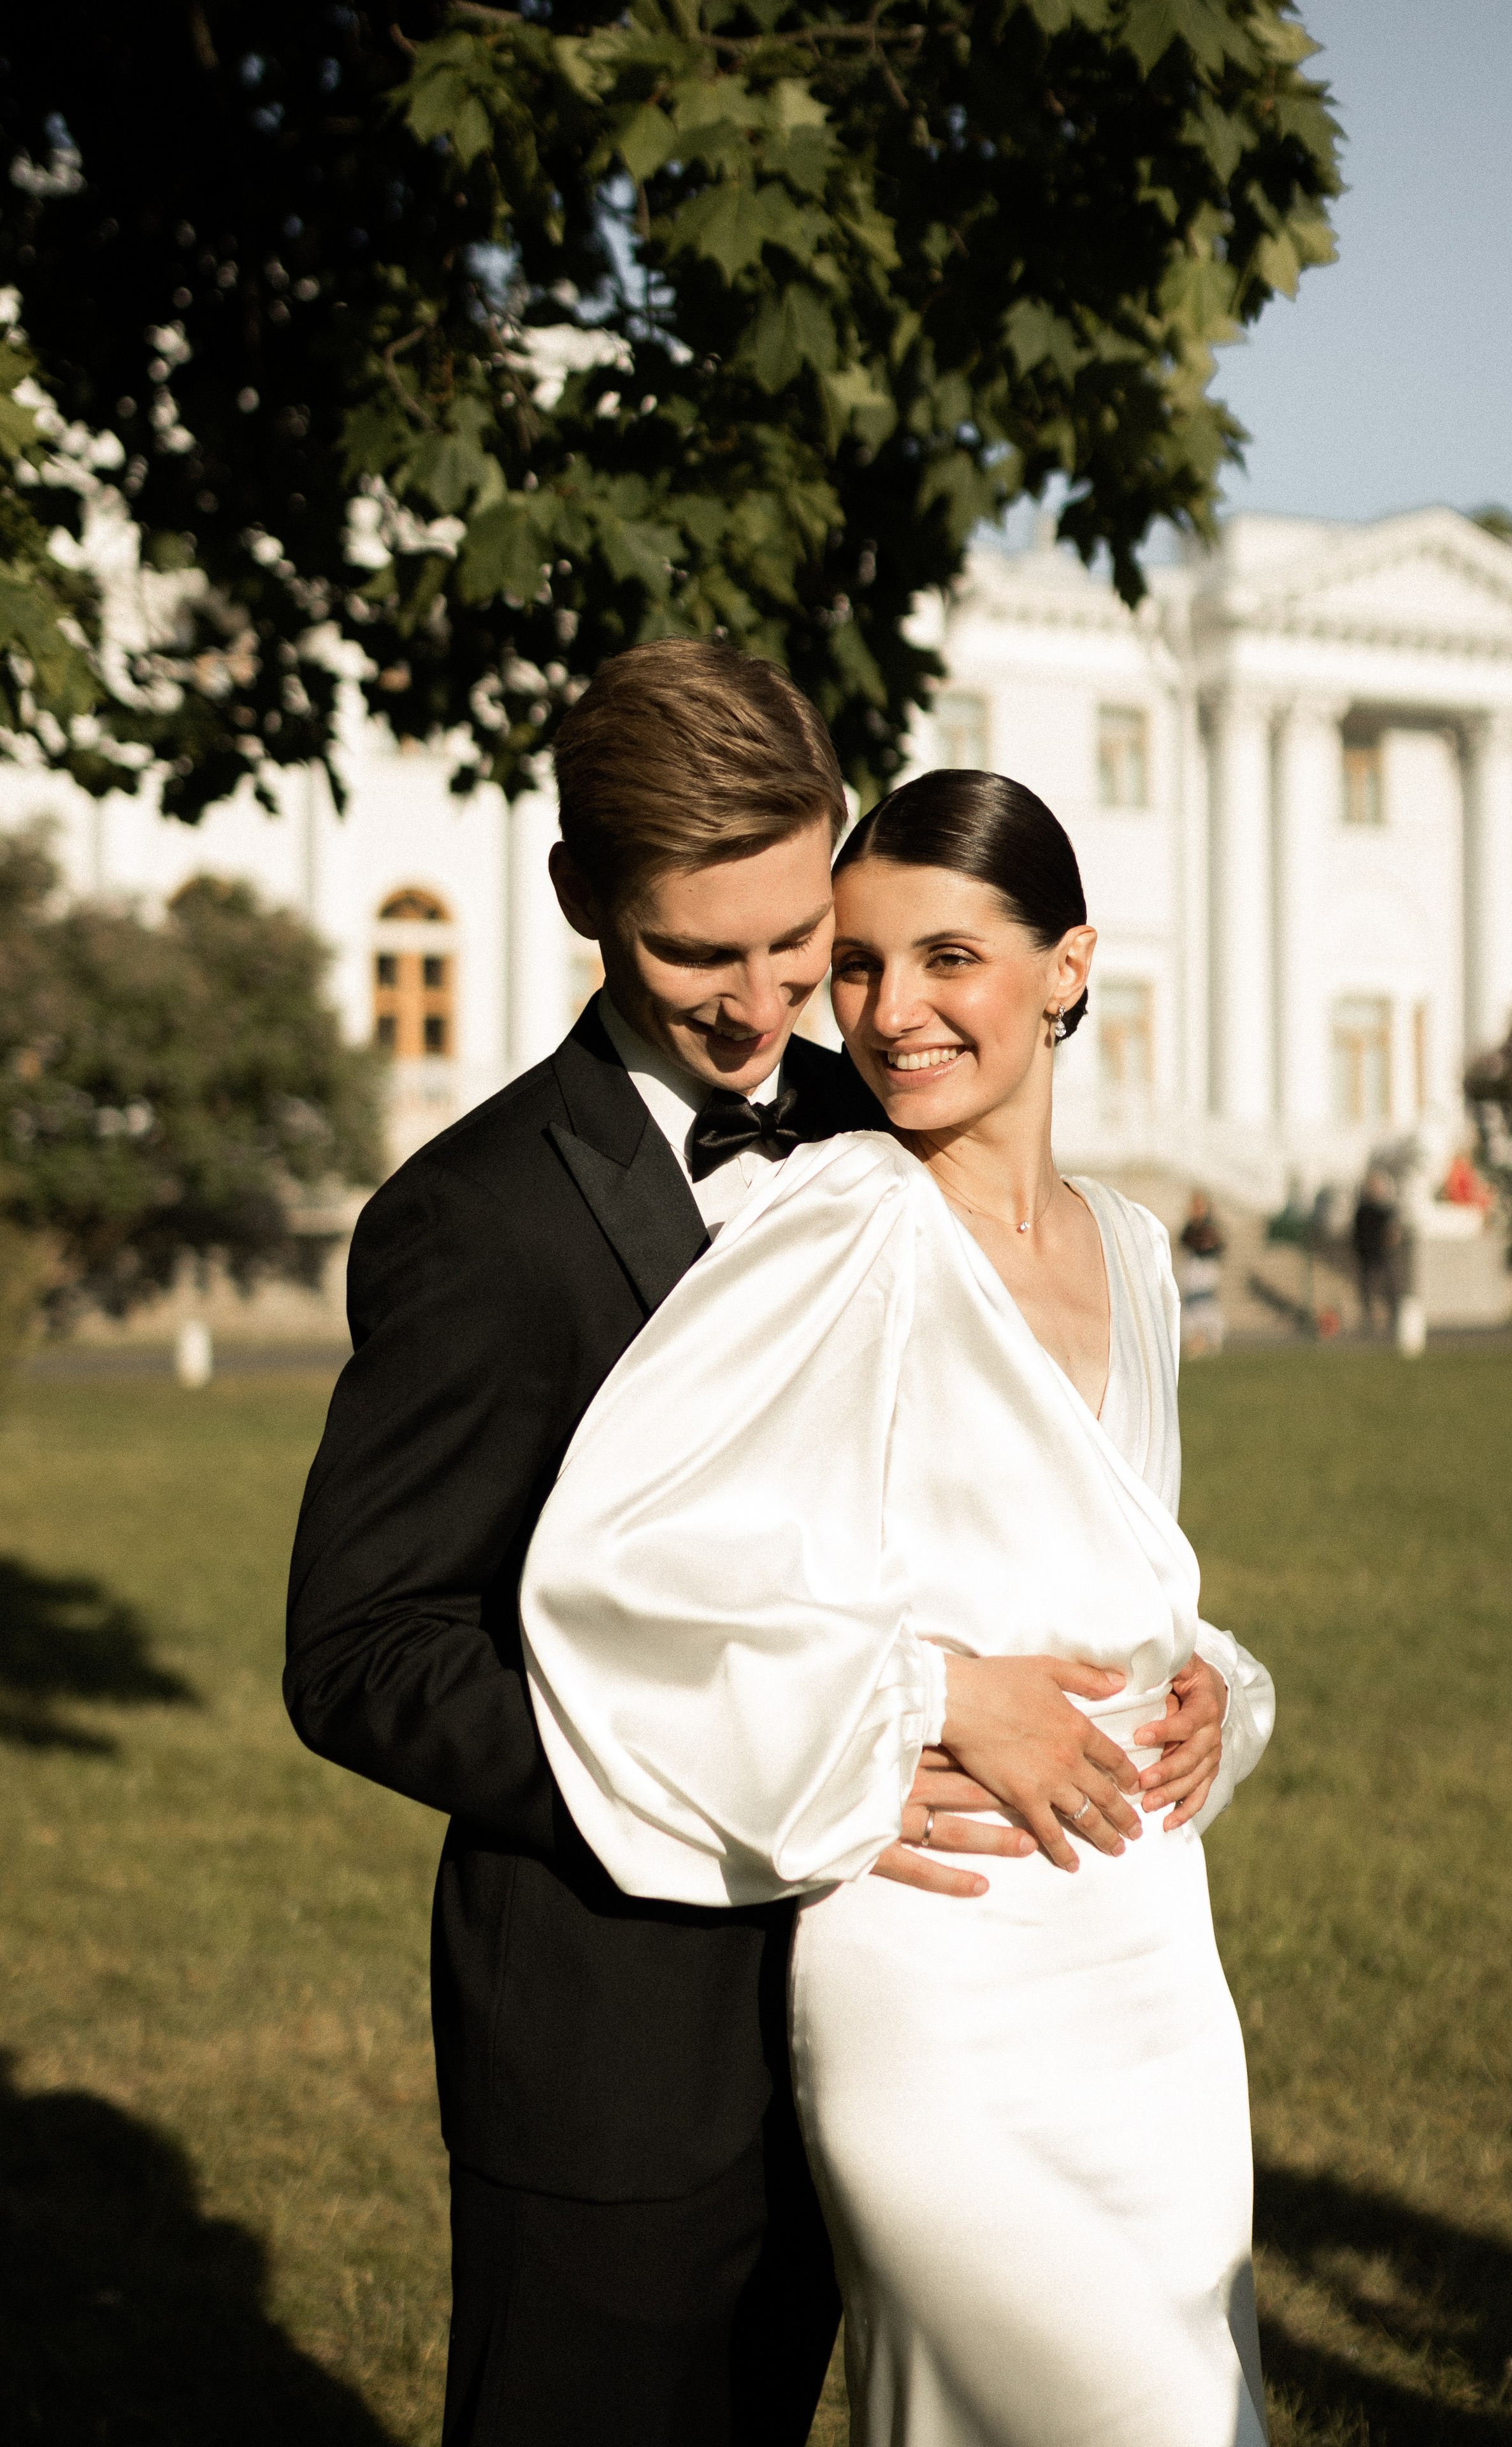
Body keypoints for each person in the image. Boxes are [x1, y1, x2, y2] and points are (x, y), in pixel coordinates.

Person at [285, 653, 1218, 2447]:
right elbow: (363, 1653)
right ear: (580, 906)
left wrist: (1177, 1690)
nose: (765, 1004)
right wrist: (785, 1757)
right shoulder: (474, 1225)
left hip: (919, 2006)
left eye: (801, 942)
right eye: (696, 956)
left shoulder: (886, 1134)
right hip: (622, 2044)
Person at [520, 770, 1277, 2447]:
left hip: (1150, 1957)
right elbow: (616, 1567)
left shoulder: (1139, 1251)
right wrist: (918, 1694)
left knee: (1191, 2401)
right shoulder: (836, 1225)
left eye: (950, 957)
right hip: (940, 1963)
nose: (889, 1009)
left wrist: (1206, 1684)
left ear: (1069, 965)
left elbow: (1100, 1560)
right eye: (857, 966)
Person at [1352, 1165, 1402, 1334]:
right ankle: (1370, 1317)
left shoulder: (1384, 1210)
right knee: (1367, 1288)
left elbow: (1393, 1233)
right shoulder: (1362, 1211)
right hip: (1366, 1255)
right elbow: (1356, 1233)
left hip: (1381, 1255)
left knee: (1389, 1285)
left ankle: (1396, 1314)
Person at [1178, 1188, 1228, 1356]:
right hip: (1193, 1267)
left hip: (1206, 1267)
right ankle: (1195, 1339)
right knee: (1192, 1305)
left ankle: (1210, 1337)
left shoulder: (1211, 1226)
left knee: (1205, 1302)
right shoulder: (1190, 1227)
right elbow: (1184, 1242)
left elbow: (1217, 1246)